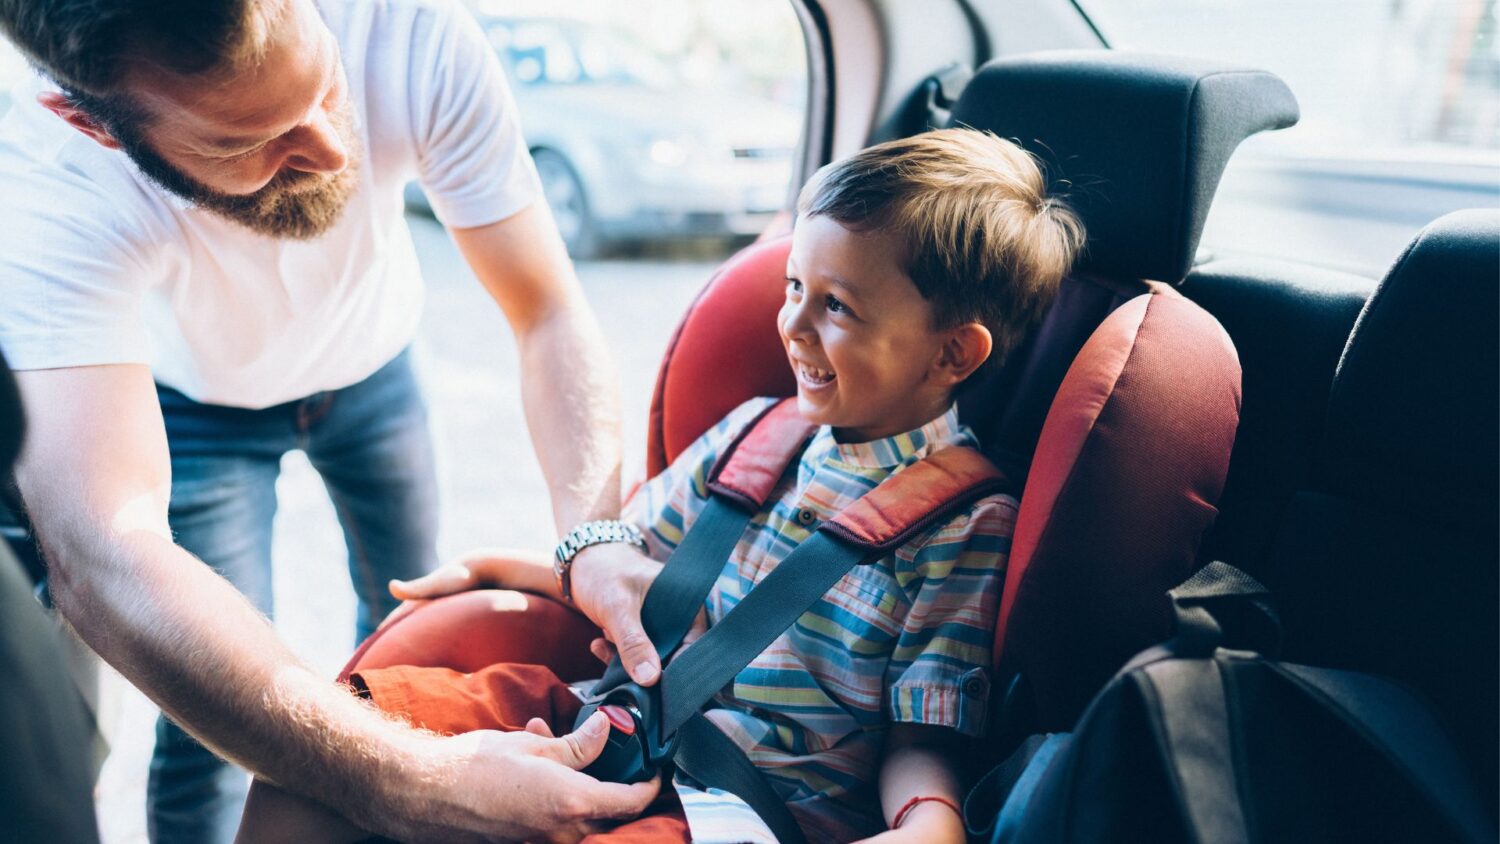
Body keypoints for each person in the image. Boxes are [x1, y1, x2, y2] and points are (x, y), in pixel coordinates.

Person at [238, 128, 1086, 843]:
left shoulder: (963, 522)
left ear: (953, 352)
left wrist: (930, 821)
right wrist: (511, 569)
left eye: (837, 307)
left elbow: (921, 732)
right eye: (795, 287)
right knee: (330, 748)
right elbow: (636, 574)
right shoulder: (754, 434)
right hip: (608, 718)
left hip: (746, 803)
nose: (792, 324)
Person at [0, 1, 660, 841]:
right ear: (91, 126)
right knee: (211, 720)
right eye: (246, 141)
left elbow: (547, 309)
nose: (333, 151)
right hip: (198, 409)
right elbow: (106, 556)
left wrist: (593, 537)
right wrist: (411, 785)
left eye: (328, 86)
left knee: (405, 622)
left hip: (375, 370)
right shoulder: (46, 181)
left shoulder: (410, 27)